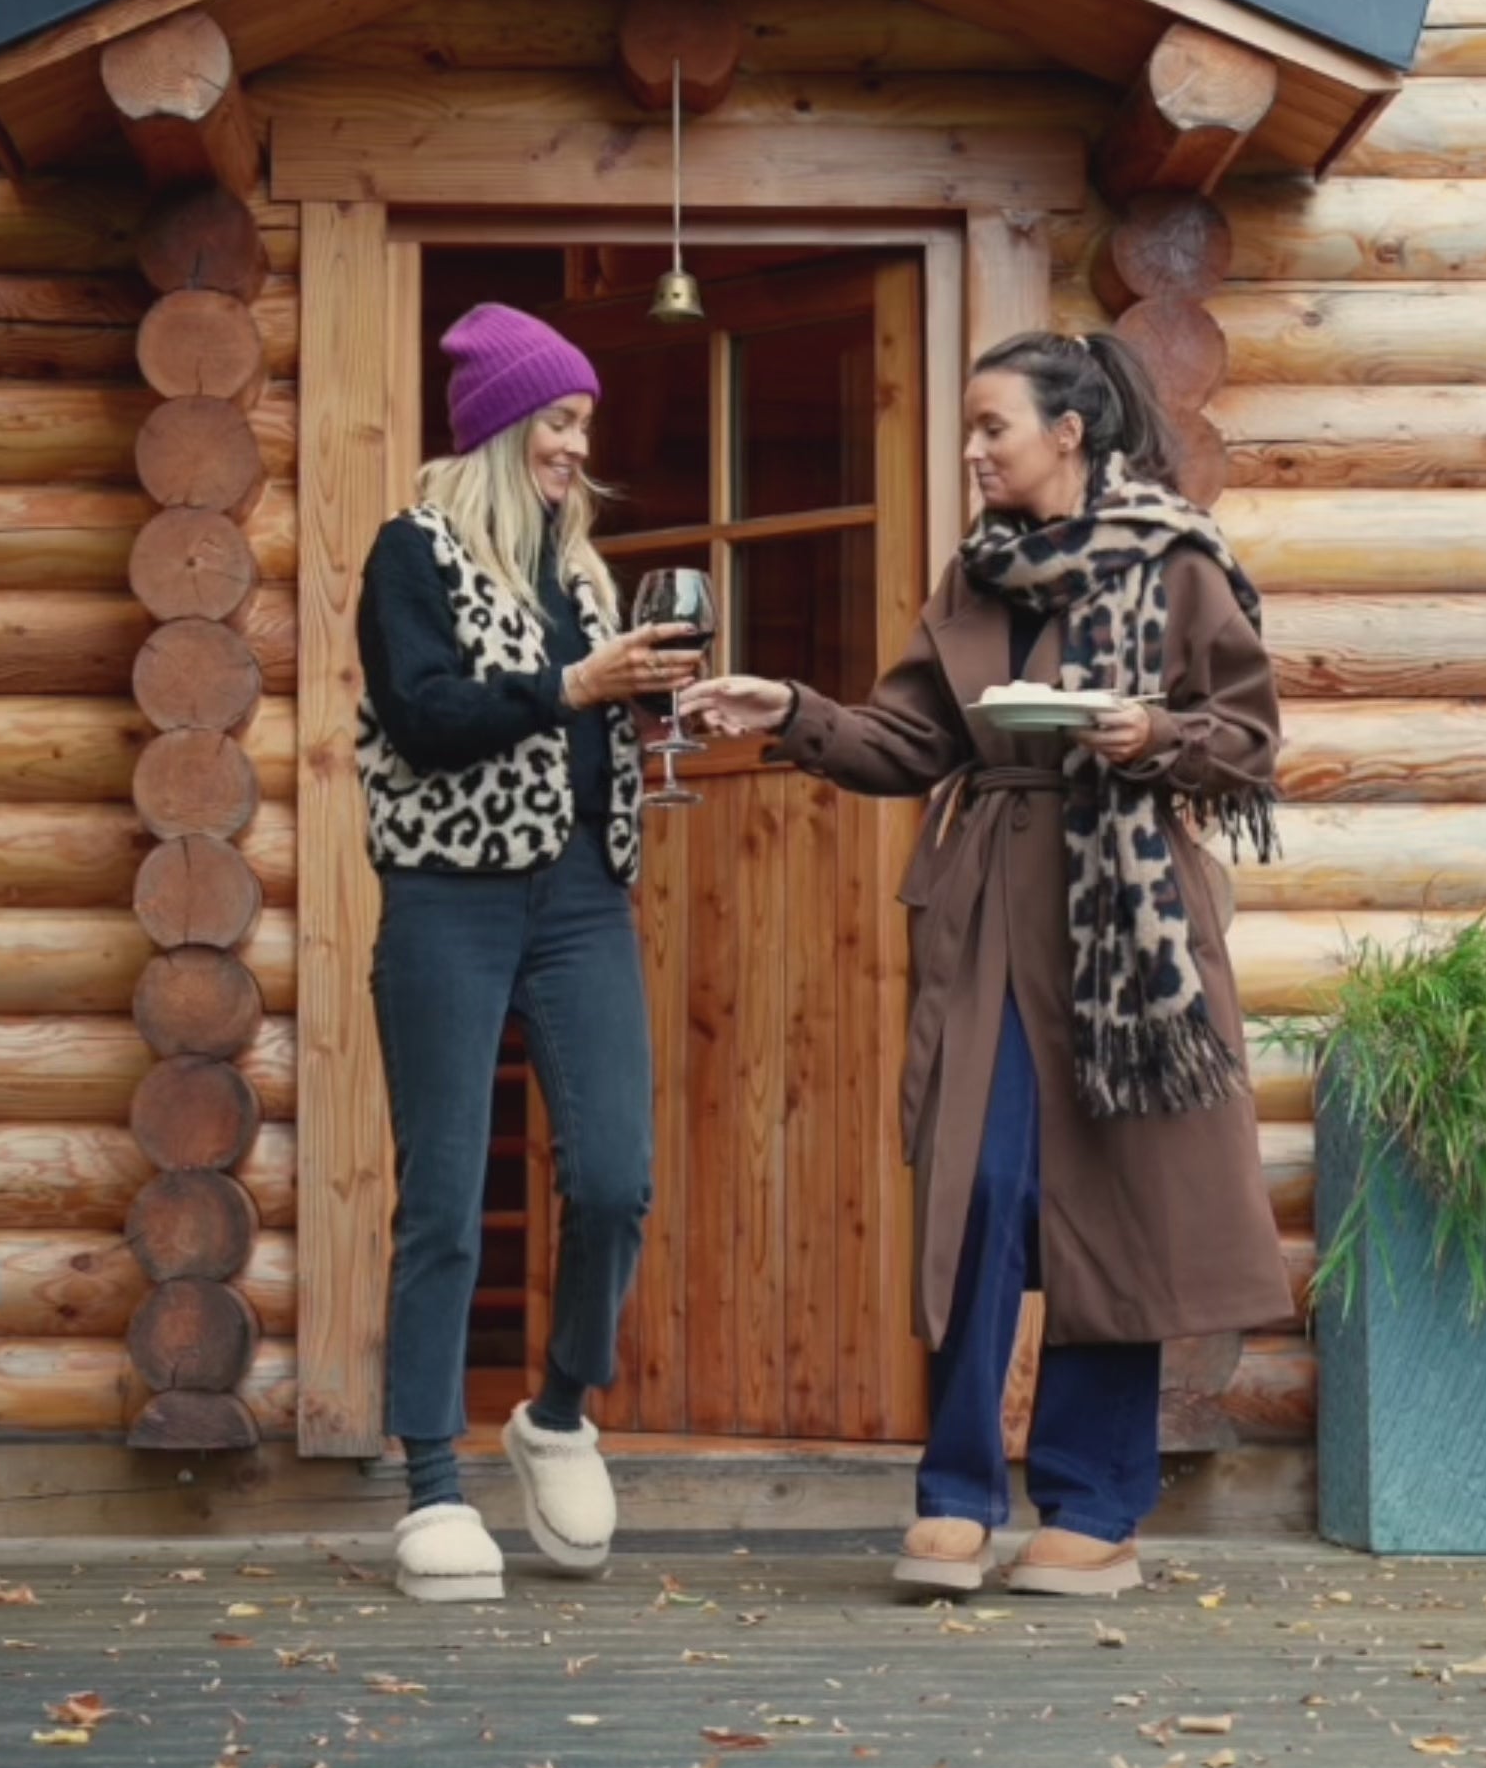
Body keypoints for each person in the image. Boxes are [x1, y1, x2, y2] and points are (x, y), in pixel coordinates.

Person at [684, 329, 1292, 1601]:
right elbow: (908, 740)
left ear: (1068, 433)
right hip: (991, 913)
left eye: (990, 427)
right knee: (984, 1191)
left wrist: (1153, 732)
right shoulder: (977, 580)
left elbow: (1245, 739)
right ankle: (957, 1490)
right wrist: (788, 711)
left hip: (1133, 941)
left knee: (1113, 1206)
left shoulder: (1176, 564)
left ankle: (1093, 1505)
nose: (970, 451)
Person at [355, 301, 696, 1605]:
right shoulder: (414, 552)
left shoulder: (584, 571)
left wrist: (660, 709)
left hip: (580, 904)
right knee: (443, 1197)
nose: (578, 444)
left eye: (584, 422)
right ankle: (433, 1484)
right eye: (559, 419)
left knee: (615, 1177)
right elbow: (425, 714)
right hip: (447, 896)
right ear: (502, 424)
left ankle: (558, 1410)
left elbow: (590, 740)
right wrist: (572, 689)